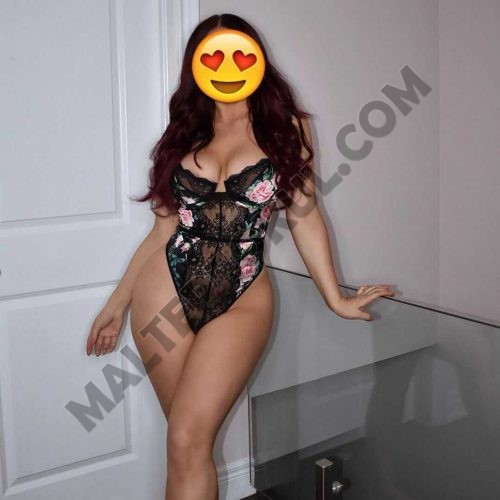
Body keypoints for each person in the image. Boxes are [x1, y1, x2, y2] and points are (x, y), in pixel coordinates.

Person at [86, 13, 395, 500]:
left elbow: (304, 215)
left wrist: (334, 297)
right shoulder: (184, 132)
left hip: (244, 295)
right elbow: (161, 230)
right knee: (186, 445)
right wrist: (116, 303)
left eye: (237, 56)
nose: (226, 67)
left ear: (257, 61)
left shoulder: (286, 128)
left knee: (187, 439)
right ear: (196, 66)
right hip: (163, 292)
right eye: (212, 58)